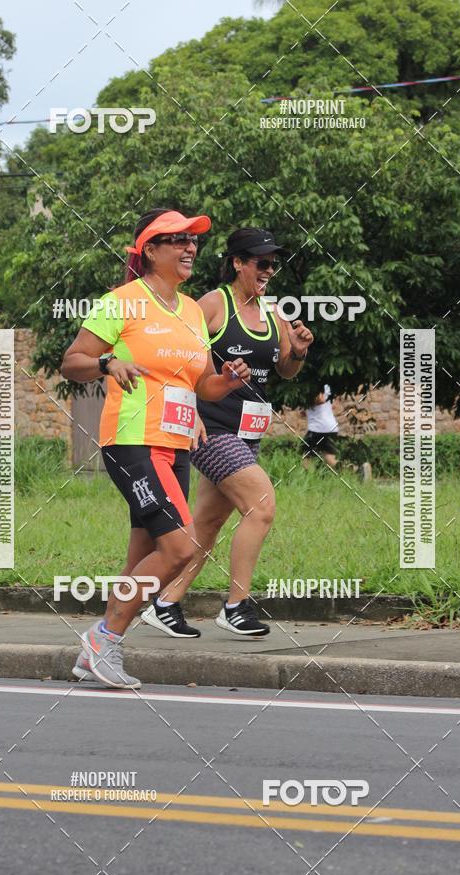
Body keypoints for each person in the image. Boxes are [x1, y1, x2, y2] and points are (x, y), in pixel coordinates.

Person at [60, 208, 251, 688]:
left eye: (194, 240)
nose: (190, 248)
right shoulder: (121, 302)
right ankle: (104, 639)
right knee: (181, 547)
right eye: (178, 239)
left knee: (142, 556)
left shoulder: (191, 311)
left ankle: (94, 654)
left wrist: (227, 381)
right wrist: (107, 363)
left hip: (176, 444)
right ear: (150, 249)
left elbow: (201, 384)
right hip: (133, 440)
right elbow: (73, 361)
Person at [141, 227, 313, 639]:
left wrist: (299, 350)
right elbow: (179, 358)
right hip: (210, 427)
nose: (268, 271)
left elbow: (285, 370)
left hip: (247, 432)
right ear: (237, 263)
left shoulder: (272, 313)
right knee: (261, 505)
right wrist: (188, 411)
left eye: (273, 264)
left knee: (208, 522)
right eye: (261, 262)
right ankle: (236, 606)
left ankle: (164, 603)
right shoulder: (214, 305)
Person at [302, 385, 340, 469]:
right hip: (330, 427)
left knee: (306, 457)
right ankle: (353, 470)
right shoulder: (327, 385)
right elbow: (333, 404)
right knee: (329, 457)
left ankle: (309, 476)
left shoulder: (314, 384)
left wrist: (305, 402)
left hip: (318, 428)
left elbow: (321, 399)